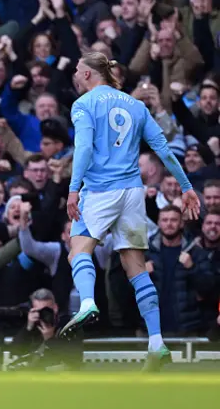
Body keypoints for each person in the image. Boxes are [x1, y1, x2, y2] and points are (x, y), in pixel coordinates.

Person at [62, 51, 201, 371]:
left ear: (87, 75)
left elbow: (82, 147)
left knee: (77, 250)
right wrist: (186, 186)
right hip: (134, 193)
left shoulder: (83, 105)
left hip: (100, 190)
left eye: (77, 68)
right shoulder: (136, 105)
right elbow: (163, 148)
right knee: (135, 265)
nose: (74, 73)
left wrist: (73, 188)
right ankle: (156, 341)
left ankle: (86, 302)